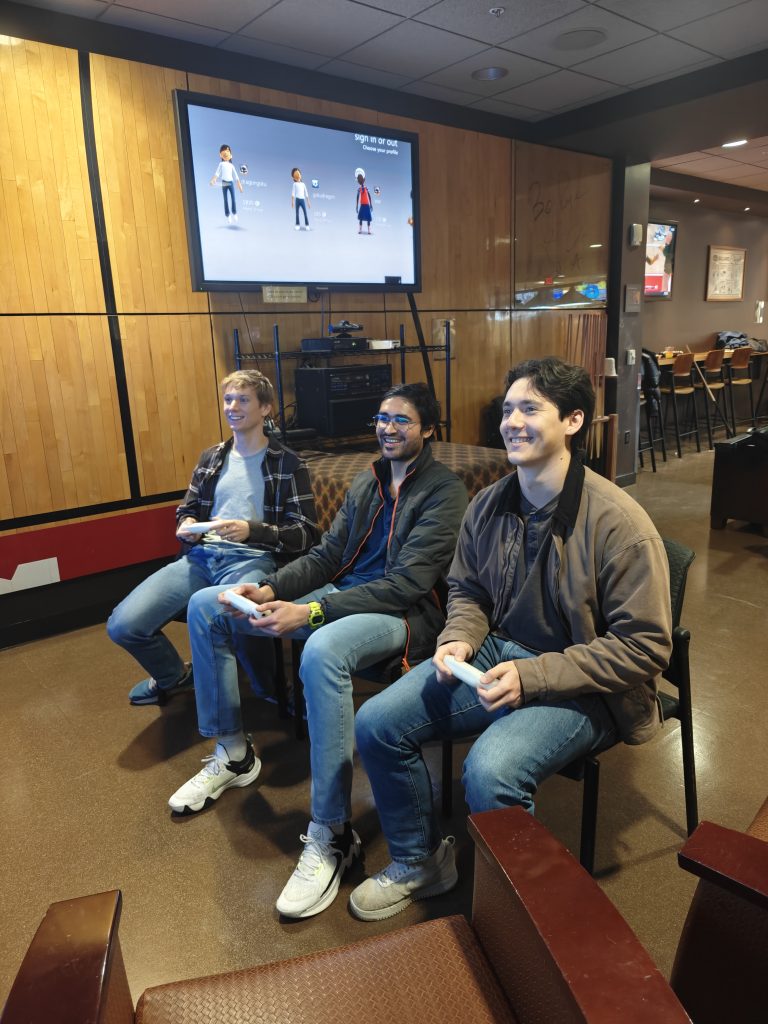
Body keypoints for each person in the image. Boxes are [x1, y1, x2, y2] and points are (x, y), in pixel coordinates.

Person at [349, 357, 673, 922]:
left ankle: (521, 916)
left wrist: (533, 676)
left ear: (573, 420)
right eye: (507, 410)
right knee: (377, 723)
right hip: (500, 652)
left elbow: (644, 647)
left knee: (491, 771)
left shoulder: (620, 523)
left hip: (588, 683)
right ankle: (420, 861)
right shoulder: (489, 502)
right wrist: (459, 636)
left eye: (530, 409)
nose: (512, 422)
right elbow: (467, 589)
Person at [170, 382, 469, 921]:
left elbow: (406, 585)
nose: (388, 428)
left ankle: (331, 831)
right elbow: (328, 556)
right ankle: (233, 751)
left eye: (401, 420)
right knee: (208, 605)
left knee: (323, 649)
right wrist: (270, 588)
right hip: (344, 594)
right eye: (382, 418)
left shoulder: (444, 491)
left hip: (404, 615)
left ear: (427, 429)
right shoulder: (369, 479)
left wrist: (310, 612)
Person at [107, 369, 319, 706]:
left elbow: (306, 533)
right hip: (201, 557)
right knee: (124, 625)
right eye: (228, 399)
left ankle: (272, 690)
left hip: (254, 559)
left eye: (243, 400)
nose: (232, 407)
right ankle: (175, 677)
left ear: (265, 408)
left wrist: (252, 530)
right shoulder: (212, 457)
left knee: (243, 617)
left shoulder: (288, 464)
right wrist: (188, 523)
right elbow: (187, 508)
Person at [210, 144, 244, 223]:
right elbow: (217, 173)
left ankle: (234, 213)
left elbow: (236, 176)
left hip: (231, 183)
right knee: (225, 199)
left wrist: (239, 185)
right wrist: (213, 180)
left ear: (231, 155)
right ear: (220, 155)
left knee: (233, 198)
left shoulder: (231, 165)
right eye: (223, 152)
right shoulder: (221, 164)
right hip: (224, 183)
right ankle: (228, 215)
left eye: (228, 151)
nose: (225, 153)